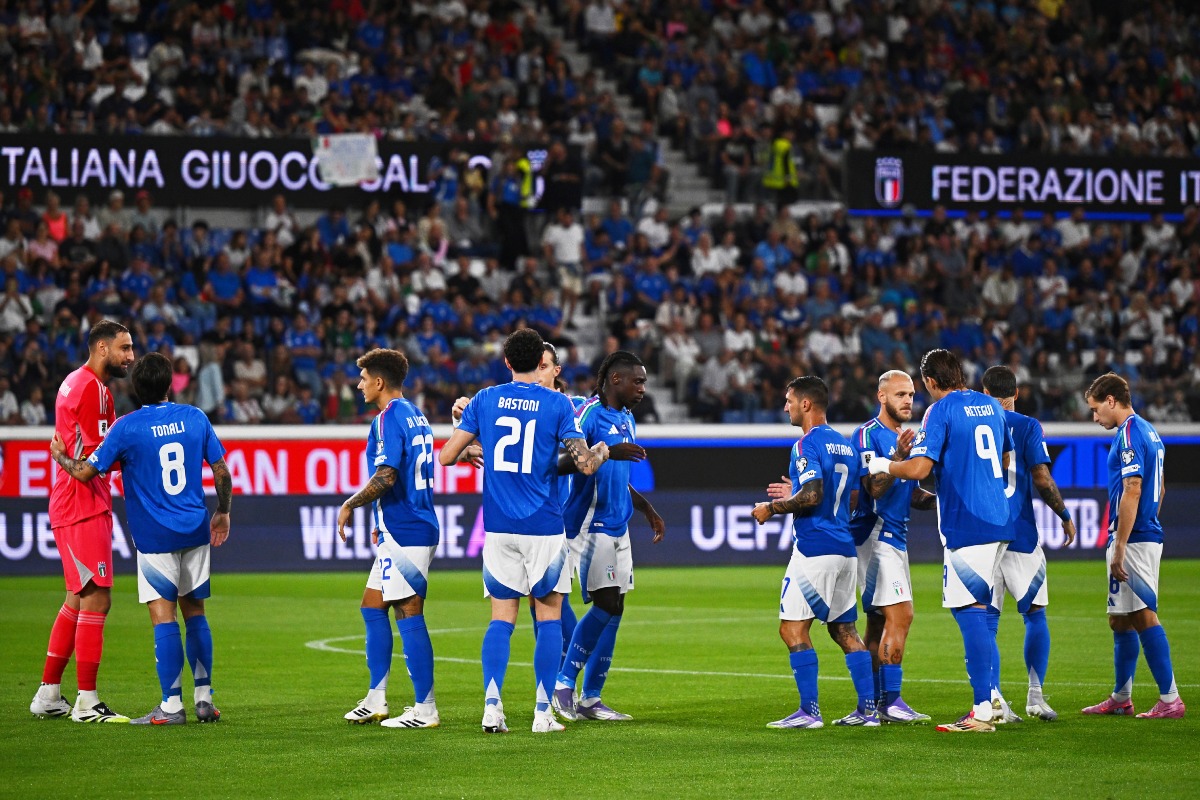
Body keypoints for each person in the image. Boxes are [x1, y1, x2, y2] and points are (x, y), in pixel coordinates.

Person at [438, 329, 609, 734]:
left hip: (498, 528)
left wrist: (475, 449)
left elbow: (446, 456)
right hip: (544, 526)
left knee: (501, 620)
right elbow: (583, 464)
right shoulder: (557, 403)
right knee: (548, 617)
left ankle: (492, 708)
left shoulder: (485, 399)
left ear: (508, 362)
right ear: (541, 362)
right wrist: (601, 451)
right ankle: (541, 714)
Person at [50, 352, 231, 725]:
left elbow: (85, 472)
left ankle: (171, 706)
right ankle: (203, 699)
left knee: (163, 617)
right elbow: (221, 470)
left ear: (135, 388)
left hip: (154, 536)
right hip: (195, 528)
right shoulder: (195, 417)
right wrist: (223, 511)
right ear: (170, 384)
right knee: (195, 612)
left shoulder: (126, 427)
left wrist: (61, 458)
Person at [867, 349, 1014, 732]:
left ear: (930, 382)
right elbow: (1001, 460)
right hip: (1000, 519)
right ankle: (992, 700)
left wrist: (884, 464)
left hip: (968, 525)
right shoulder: (991, 406)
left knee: (971, 616)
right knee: (982, 612)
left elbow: (918, 469)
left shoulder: (940, 411)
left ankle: (982, 709)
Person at [752, 376, 880, 729]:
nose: (786, 406)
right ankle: (868, 711)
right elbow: (851, 498)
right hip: (843, 548)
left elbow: (812, 496)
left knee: (792, 630)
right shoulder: (845, 445)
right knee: (844, 631)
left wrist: (772, 507)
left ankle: (809, 712)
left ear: (806, 404)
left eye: (790, 400)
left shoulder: (805, 444)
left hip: (814, 549)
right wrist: (803, 491)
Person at [30, 319, 135, 724]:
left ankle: (48, 693)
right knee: (97, 597)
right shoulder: (95, 390)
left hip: (73, 501)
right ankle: (87, 701)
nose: (130, 356)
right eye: (124, 348)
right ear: (102, 348)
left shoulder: (74, 381)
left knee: (77, 596)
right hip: (81, 504)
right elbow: (93, 462)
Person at [337, 349, 448, 729]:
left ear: (379, 382)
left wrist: (351, 504)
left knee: (409, 612)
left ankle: (425, 708)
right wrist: (378, 518)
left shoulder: (387, 419)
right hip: (400, 526)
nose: (359, 384)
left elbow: (387, 475)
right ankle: (376, 697)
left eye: (364, 378)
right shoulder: (415, 413)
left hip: (408, 530)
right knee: (372, 607)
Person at [552, 351, 666, 723]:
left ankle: (592, 698)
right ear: (615, 380)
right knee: (605, 604)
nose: (643, 389)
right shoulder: (588, 414)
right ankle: (563, 684)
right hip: (590, 523)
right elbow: (562, 461)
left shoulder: (627, 417)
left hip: (620, 525)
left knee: (616, 609)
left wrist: (646, 508)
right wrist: (607, 450)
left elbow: (617, 475)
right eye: (638, 381)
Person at [819, 370, 935, 723]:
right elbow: (873, 488)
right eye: (900, 394)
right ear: (881, 396)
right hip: (875, 536)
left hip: (893, 536)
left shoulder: (904, 437)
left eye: (912, 395)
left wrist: (938, 498)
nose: (907, 401)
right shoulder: (867, 434)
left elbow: (906, 491)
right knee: (902, 615)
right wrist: (899, 459)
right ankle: (891, 702)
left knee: (876, 623)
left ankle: (868, 705)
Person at [1081, 373, 1185, 719]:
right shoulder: (1150, 432)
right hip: (1141, 533)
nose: (1095, 418)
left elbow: (1134, 488)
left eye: (1096, 409)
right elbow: (1162, 489)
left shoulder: (1128, 435)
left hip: (1135, 539)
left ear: (1111, 400)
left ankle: (1170, 699)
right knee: (1120, 619)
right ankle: (1121, 697)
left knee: (1142, 615)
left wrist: (1123, 543)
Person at [981, 365, 1077, 722]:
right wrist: (1064, 514)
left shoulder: (972, 425)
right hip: (1020, 534)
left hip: (982, 538)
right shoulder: (1028, 427)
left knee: (986, 620)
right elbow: (1041, 477)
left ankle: (992, 699)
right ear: (1016, 393)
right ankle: (1035, 697)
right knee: (1035, 614)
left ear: (984, 391)